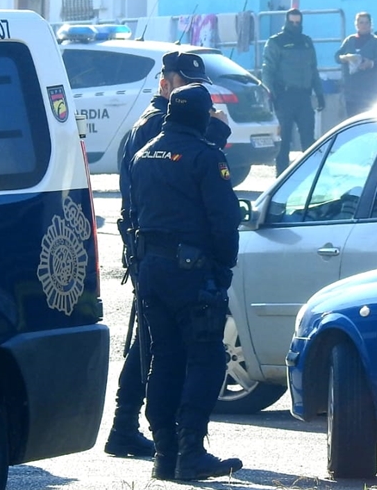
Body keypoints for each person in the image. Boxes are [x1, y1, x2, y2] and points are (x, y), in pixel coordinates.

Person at [105, 51, 230, 460]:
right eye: (183, 83)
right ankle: (171, 441)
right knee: (175, 351)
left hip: (152, 256)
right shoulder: (159, 126)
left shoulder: (153, 135)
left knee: (158, 348)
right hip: (177, 260)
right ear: (165, 83)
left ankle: (152, 439)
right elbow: (209, 205)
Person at [128, 83, 243, 481]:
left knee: (165, 356)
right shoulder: (205, 158)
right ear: (199, 115)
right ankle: (191, 450)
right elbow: (224, 221)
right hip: (191, 272)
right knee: (207, 357)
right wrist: (224, 267)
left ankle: (165, 453)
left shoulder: (143, 154)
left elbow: (132, 212)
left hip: (151, 270)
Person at [262, 8, 324, 176]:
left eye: (298, 22)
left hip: (304, 97)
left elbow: (313, 69)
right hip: (284, 98)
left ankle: (310, 177)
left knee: (308, 141)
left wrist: (319, 94)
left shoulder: (306, 42)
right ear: (286, 22)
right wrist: (270, 94)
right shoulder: (276, 42)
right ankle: (281, 179)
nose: (295, 25)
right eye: (292, 22)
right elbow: (268, 70)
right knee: (284, 143)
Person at [334, 11, 377, 116]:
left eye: (367, 23)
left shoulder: (375, 42)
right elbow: (337, 57)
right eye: (361, 23)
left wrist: (370, 63)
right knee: (352, 121)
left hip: (368, 92)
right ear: (357, 25)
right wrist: (345, 58)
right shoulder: (350, 40)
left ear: (371, 25)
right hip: (351, 91)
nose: (364, 25)